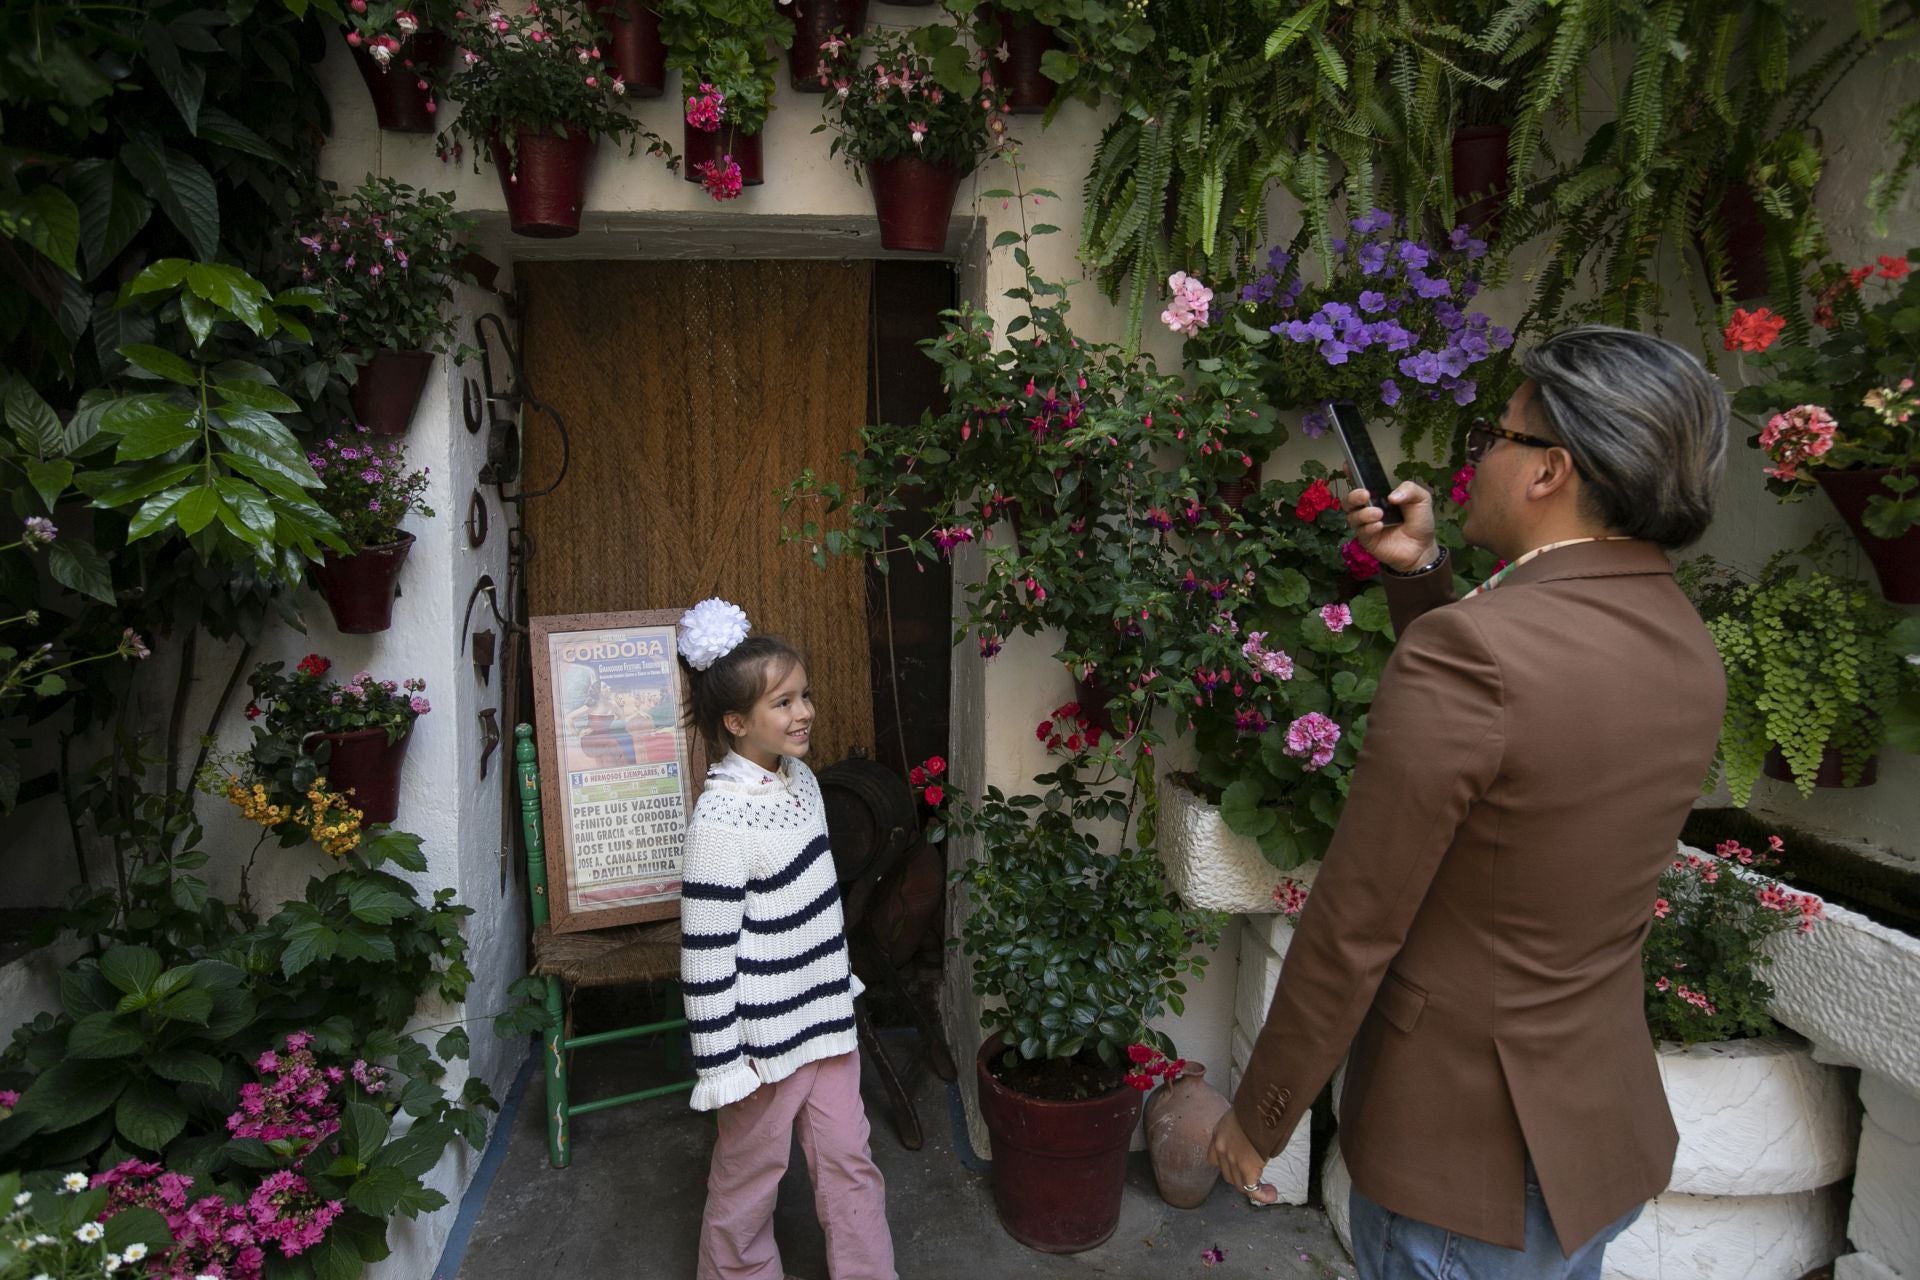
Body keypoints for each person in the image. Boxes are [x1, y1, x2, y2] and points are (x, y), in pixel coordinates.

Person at [1209, 326, 1730, 1280]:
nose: (1481, 457)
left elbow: (1358, 917)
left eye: (1499, 436)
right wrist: (1419, 578)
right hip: (1589, 1139)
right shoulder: (1682, 639)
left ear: (1550, 471)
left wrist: (1262, 1114)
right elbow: (1525, 749)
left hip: (1463, 1162)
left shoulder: (1482, 652)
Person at [674, 597, 896, 1280]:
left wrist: (836, 986)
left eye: (804, 696)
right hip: (763, 1048)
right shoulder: (718, 825)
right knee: (748, 1182)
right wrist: (721, 1068)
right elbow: (706, 963)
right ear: (737, 723)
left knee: (848, 1163)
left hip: (825, 1021)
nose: (803, 713)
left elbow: (816, 906)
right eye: (783, 703)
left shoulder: (800, 781)